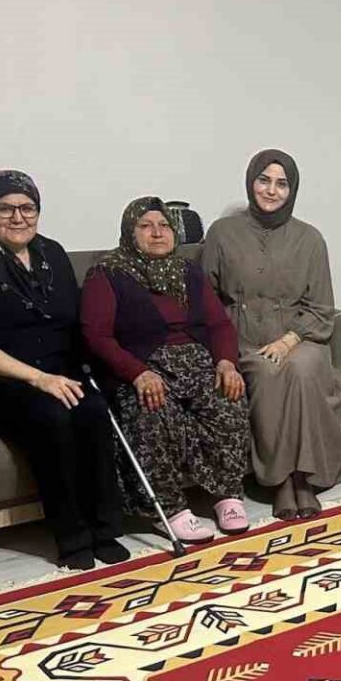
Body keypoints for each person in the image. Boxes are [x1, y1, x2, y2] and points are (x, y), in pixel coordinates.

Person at [0, 171, 129, 570]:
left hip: (54, 369)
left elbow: (72, 323)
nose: (18, 217)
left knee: (93, 409)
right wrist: (37, 378)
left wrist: (86, 371)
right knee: (51, 416)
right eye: (6, 208)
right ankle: (72, 537)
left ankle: (105, 529)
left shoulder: (52, 253)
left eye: (28, 208)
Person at [201, 149, 341, 519]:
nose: (271, 190)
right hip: (244, 339)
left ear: (292, 190)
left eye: (282, 184)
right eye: (264, 180)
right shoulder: (221, 234)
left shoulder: (310, 239)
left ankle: (303, 479)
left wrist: (288, 340)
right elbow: (206, 301)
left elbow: (322, 307)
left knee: (302, 369)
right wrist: (222, 349)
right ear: (251, 182)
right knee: (266, 373)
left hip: (301, 337)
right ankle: (279, 480)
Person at [81, 198, 252, 541]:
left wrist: (226, 362)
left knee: (228, 398)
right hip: (143, 369)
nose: (157, 233)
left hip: (198, 364)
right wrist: (137, 373)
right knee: (152, 409)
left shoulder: (188, 271)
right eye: (145, 226)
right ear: (129, 233)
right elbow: (96, 335)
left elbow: (219, 324)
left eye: (164, 226)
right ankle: (170, 509)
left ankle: (227, 495)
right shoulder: (108, 273)